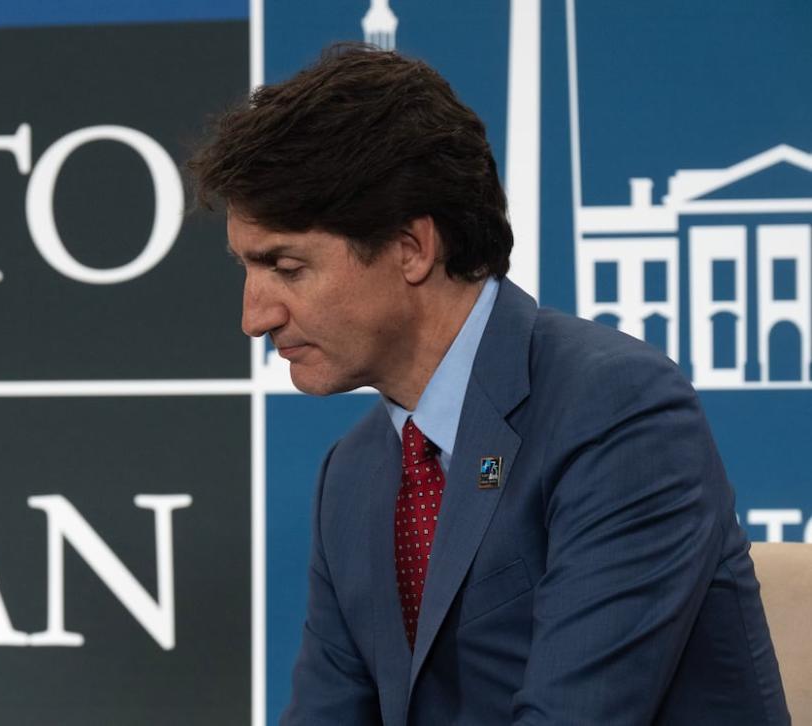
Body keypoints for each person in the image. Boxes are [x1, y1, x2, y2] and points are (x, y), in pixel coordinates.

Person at [188, 44, 789, 725]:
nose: (253, 317)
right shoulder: (352, 476)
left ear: (412, 249)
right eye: (247, 270)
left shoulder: (619, 412)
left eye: (287, 268)